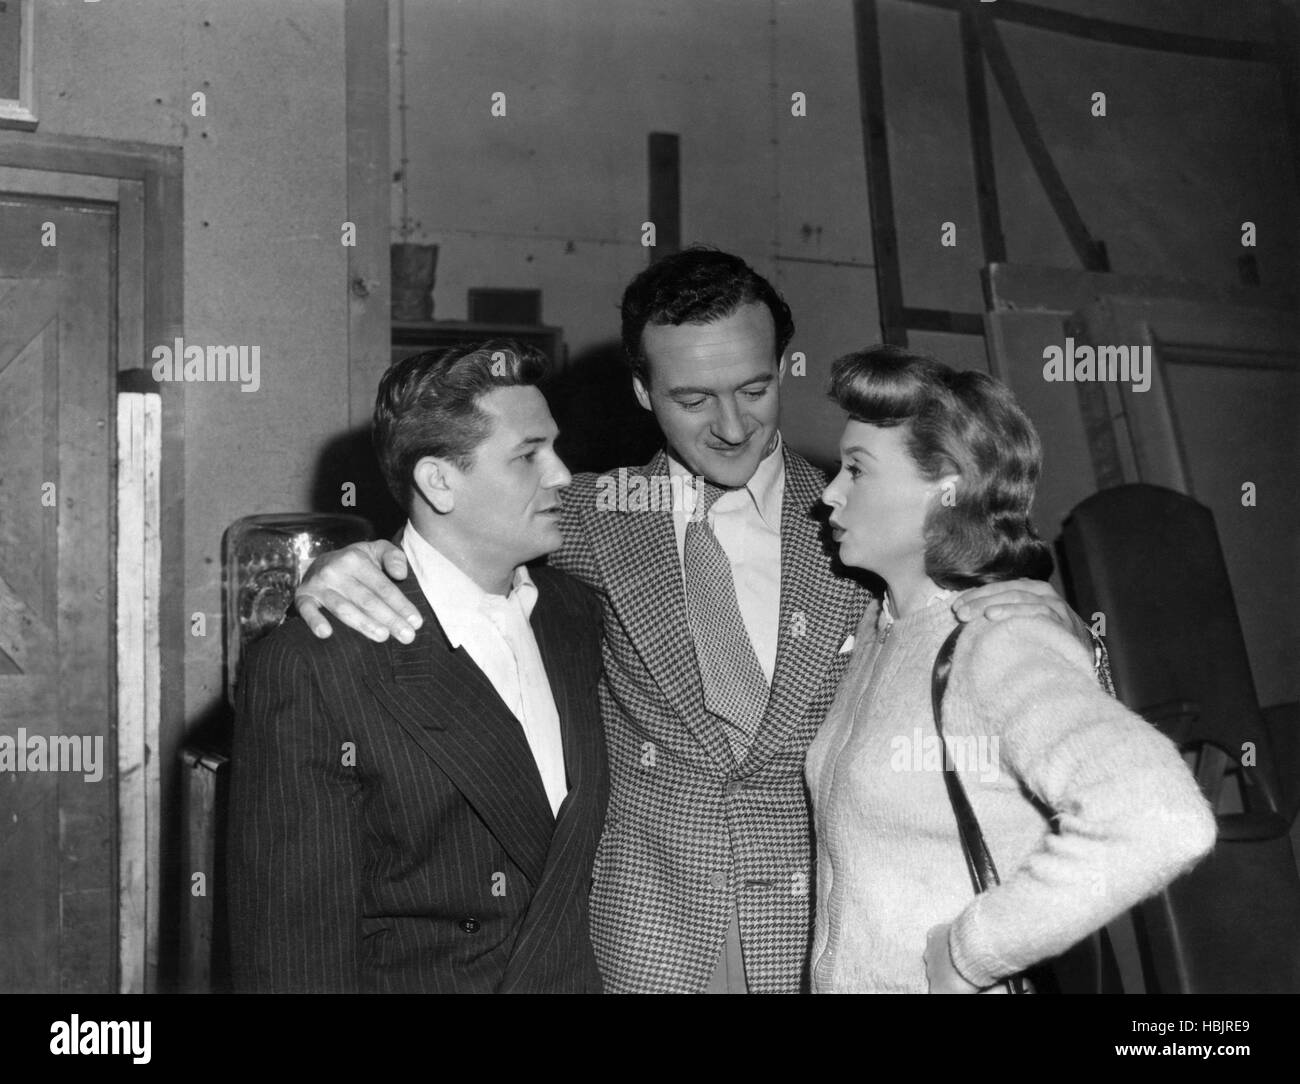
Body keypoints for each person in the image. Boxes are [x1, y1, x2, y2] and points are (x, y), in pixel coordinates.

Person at [293, 248, 1097, 993]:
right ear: (643, 392)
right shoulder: (583, 516)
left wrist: (1036, 612)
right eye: (691, 399)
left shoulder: (875, 522)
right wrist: (347, 563)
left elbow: (1006, 613)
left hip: (832, 941)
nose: (733, 426)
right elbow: (455, 530)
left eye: (755, 389)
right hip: (644, 949)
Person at [808, 346, 1217, 993]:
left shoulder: (999, 640)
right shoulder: (880, 629)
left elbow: (1162, 818)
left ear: (946, 488)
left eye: (856, 470)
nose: (829, 494)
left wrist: (976, 951)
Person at [227, 341, 608, 993]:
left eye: (555, 448)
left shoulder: (575, 615)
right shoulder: (314, 662)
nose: (562, 475)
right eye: (528, 456)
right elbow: (291, 954)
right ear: (438, 481)